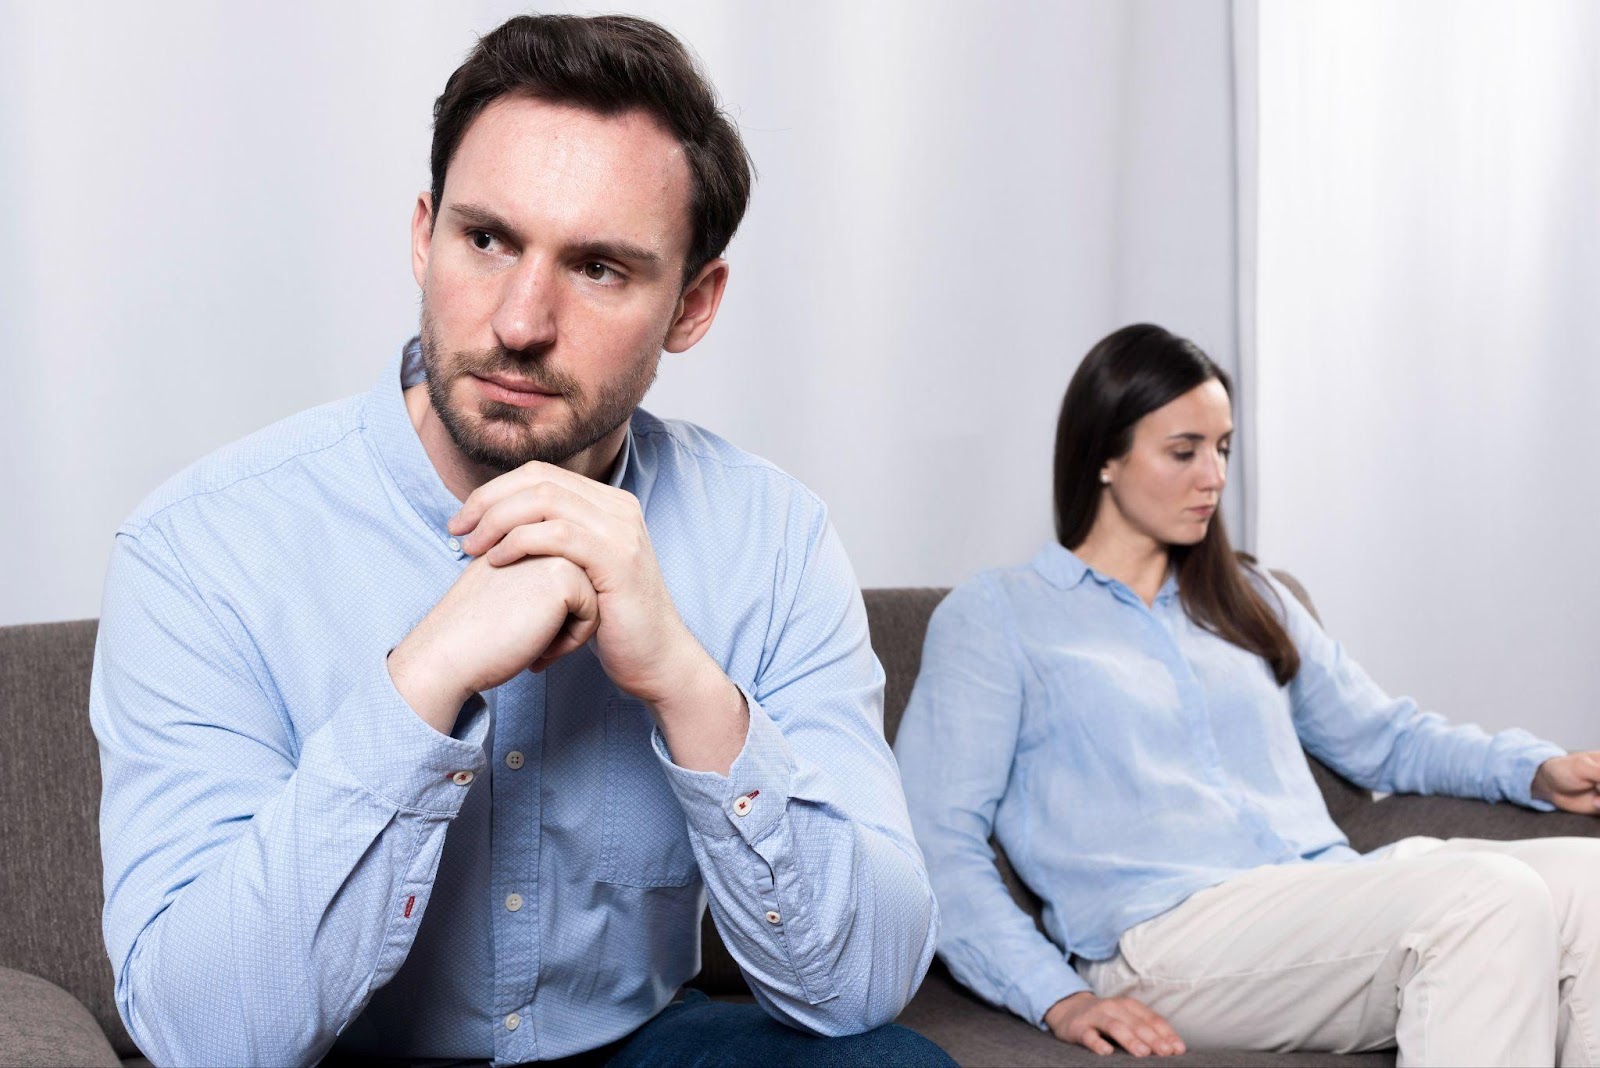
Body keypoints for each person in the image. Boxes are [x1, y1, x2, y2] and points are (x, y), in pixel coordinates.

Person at [90, 15, 950, 1067]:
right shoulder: (202, 549)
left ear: (694, 303)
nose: (518, 320)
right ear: (424, 233)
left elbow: (858, 987)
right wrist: (423, 681)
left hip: (632, 1046)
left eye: (598, 267)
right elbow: (198, 1035)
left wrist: (686, 685)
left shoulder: (770, 538)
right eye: (486, 239)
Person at [893, 323, 1600, 1065]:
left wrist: (1533, 770)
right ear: (1105, 454)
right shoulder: (999, 616)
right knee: (1485, 896)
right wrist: (1056, 996)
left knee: (1588, 883)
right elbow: (937, 840)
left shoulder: (1247, 595)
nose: (1214, 476)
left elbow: (1386, 739)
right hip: (1166, 937)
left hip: (1322, 892)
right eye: (1184, 451)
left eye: (1223, 448)